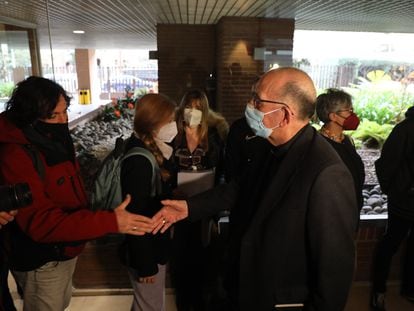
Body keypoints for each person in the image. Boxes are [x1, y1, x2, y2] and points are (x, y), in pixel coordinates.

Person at [153, 67, 358, 311]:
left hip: (280, 300)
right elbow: (240, 189)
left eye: (257, 100)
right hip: (245, 288)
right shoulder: (268, 146)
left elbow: (334, 271)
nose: (249, 105)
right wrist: (189, 208)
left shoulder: (327, 172)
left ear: (284, 114)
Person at [0, 76, 155, 311]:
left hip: (66, 245)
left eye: (65, 112)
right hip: (42, 257)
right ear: (29, 116)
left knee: (60, 303)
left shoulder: (52, 138)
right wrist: (109, 221)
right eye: (54, 116)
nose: (63, 120)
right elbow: (40, 222)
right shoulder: (16, 153)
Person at [118, 93, 177, 311]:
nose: (174, 125)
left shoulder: (153, 151)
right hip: (146, 251)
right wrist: (146, 266)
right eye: (170, 121)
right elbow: (135, 217)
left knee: (145, 304)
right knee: (150, 307)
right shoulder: (139, 162)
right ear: (155, 123)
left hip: (153, 246)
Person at [172, 89, 228, 311]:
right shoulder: (173, 133)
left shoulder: (214, 136)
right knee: (181, 262)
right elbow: (164, 168)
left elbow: (222, 170)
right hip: (177, 207)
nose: (192, 112)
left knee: (204, 260)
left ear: (204, 111)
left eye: (197, 108)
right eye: (188, 107)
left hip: (205, 207)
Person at [372, 106, 414, 310]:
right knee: (390, 244)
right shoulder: (405, 129)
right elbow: (386, 163)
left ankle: (410, 289)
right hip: (404, 201)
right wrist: (396, 190)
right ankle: (378, 290)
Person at [316, 88, 365, 217]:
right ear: (333, 116)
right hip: (332, 213)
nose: (353, 115)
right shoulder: (318, 144)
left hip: (351, 208)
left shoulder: (347, 140)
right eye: (349, 110)